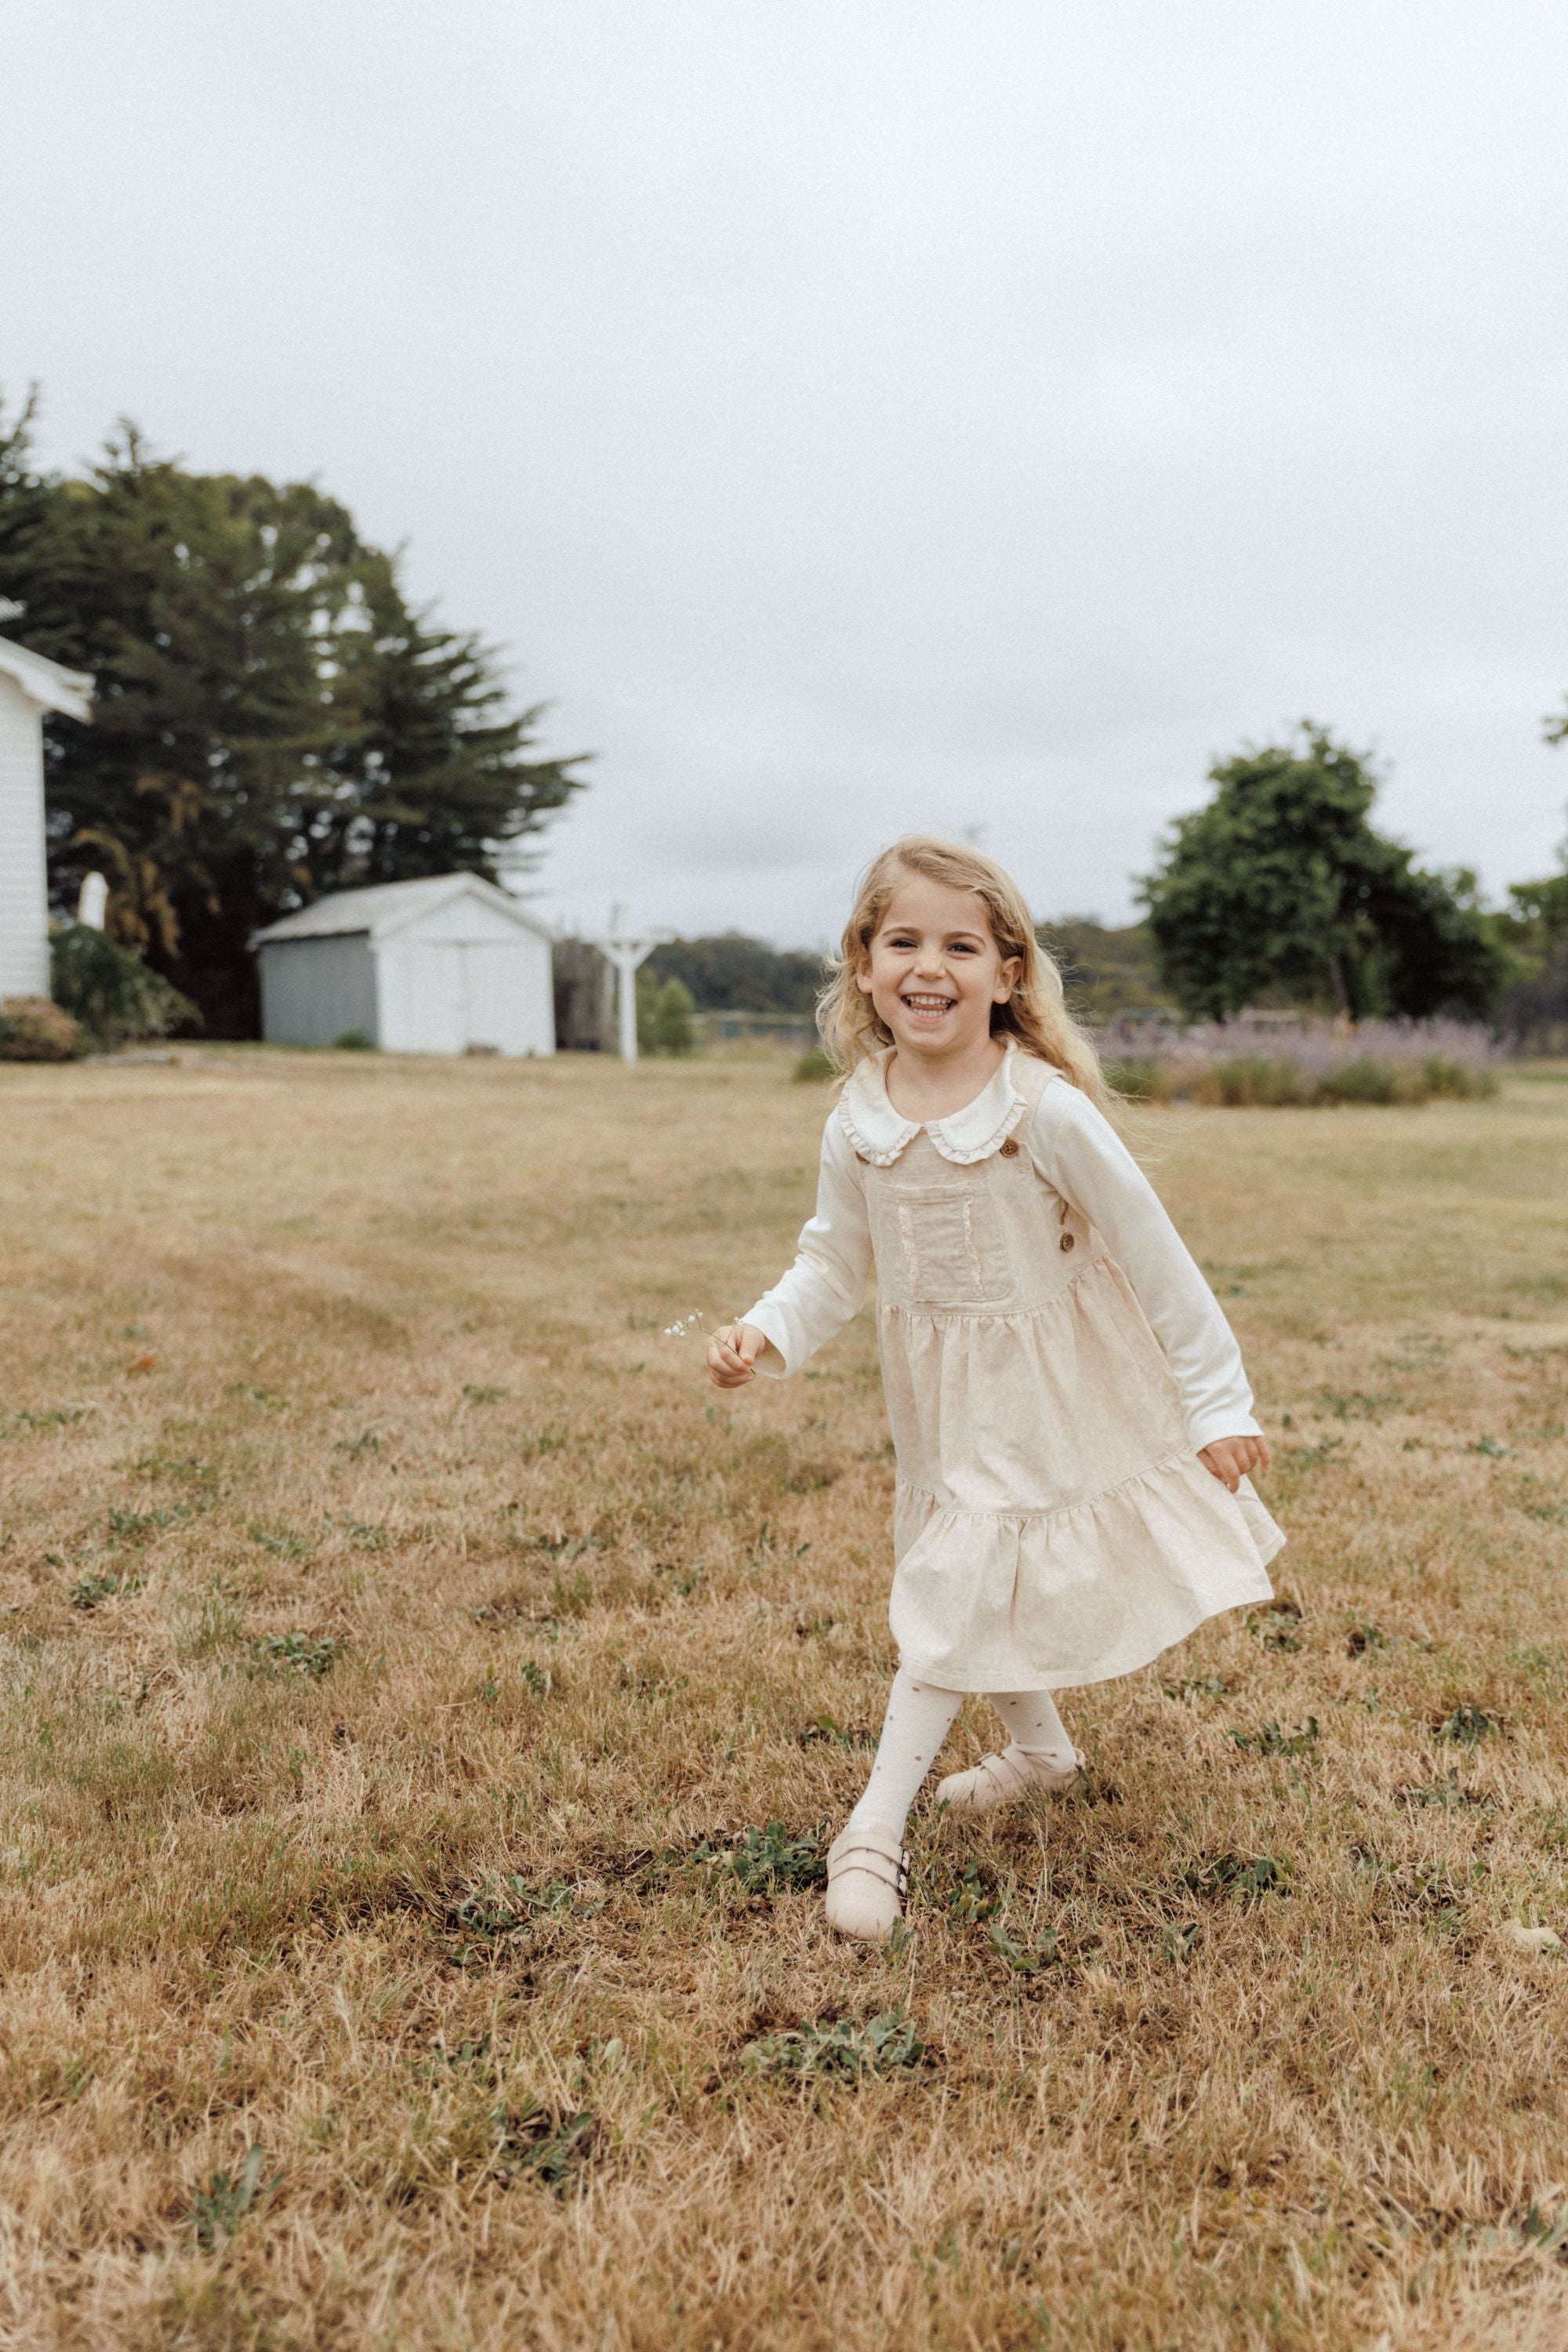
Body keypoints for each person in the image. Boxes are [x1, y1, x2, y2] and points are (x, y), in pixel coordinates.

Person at [706, 835, 1283, 1944]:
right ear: (865, 966)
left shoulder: (1043, 1110)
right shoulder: (858, 1116)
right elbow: (834, 1259)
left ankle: (871, 1830)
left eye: (960, 944)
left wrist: (1218, 1405)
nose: (930, 966)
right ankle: (1042, 1753)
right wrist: (763, 1332)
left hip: (1055, 1387)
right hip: (941, 1396)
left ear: (1008, 972)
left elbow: (1154, 1254)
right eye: (903, 941)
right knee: (971, 1563)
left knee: (956, 1584)